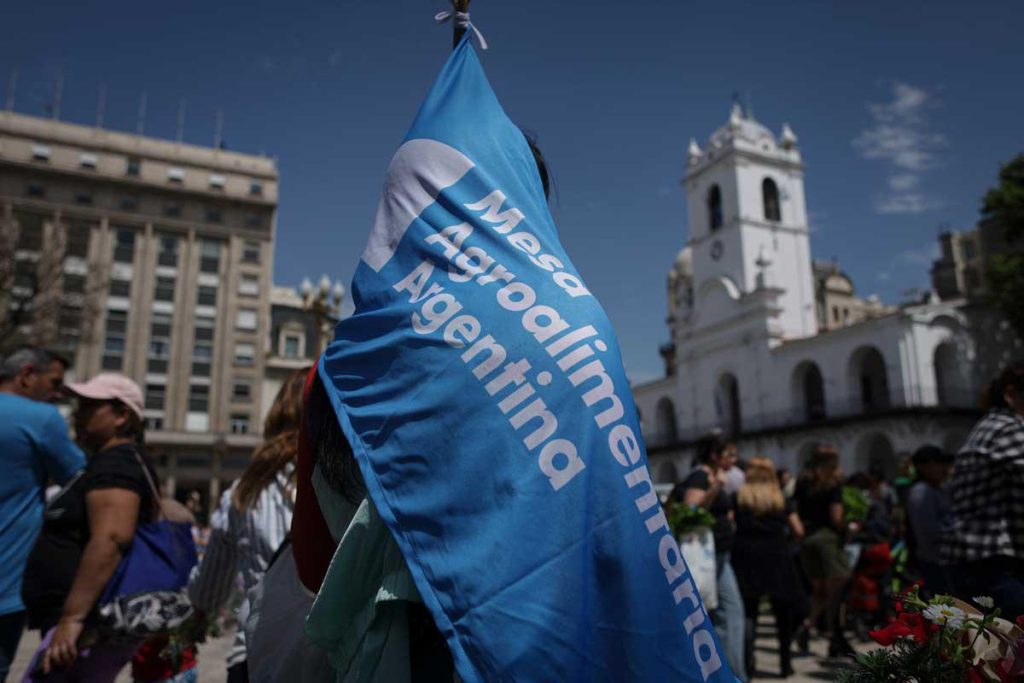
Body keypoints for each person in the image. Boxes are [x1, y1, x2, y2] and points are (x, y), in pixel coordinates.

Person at [21, 373, 156, 680]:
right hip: (82, 622)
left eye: (90, 407)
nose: (78, 415)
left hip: (89, 624)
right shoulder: (107, 461)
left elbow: (110, 538)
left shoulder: (118, 463)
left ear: (122, 416)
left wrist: (73, 617)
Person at [187, 367, 309, 682]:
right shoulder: (356, 486)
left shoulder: (244, 493)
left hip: (256, 660)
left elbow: (208, 592)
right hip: (337, 661)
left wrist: (196, 616)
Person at [0, 348, 85, 680]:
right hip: (6, 581)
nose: (58, 393)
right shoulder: (41, 417)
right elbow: (80, 478)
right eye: (54, 382)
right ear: (26, 375)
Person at [943, 362, 1024, 619]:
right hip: (996, 566)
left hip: (974, 561)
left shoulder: (989, 426)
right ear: (1011, 395)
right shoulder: (1008, 429)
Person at [673, 433, 747, 681]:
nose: (733, 459)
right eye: (729, 454)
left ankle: (731, 673)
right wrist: (715, 488)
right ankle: (728, 675)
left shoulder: (714, 476)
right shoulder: (701, 477)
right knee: (724, 614)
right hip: (709, 556)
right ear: (716, 455)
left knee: (730, 613)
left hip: (721, 554)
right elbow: (691, 510)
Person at [731, 457, 805, 678]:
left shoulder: (739, 498)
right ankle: (785, 662)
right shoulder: (780, 498)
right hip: (776, 554)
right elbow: (798, 530)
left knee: (749, 612)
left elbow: (731, 524)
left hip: (746, 555)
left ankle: (748, 662)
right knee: (783, 611)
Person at [793, 443, 854, 658]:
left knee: (819, 591)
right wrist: (849, 527)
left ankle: (809, 625)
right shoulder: (833, 483)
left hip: (808, 539)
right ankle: (834, 635)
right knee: (837, 591)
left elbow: (794, 509)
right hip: (827, 539)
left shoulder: (802, 481)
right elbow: (836, 516)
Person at [905, 445, 954, 596]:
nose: (944, 469)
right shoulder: (921, 493)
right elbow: (929, 532)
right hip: (936, 561)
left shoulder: (938, 488)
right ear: (923, 467)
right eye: (938, 464)